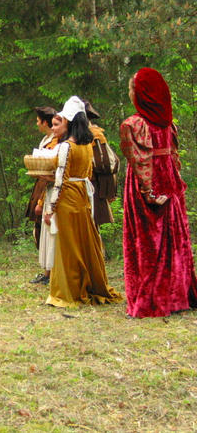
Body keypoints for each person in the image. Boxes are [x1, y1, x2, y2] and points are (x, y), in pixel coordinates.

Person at [120, 68, 197, 318]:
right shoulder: (168, 125)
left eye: (132, 89)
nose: (130, 94)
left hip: (150, 182)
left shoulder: (134, 124)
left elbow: (141, 162)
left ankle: (152, 297)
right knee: (173, 239)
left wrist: (148, 192)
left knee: (146, 241)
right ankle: (176, 295)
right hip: (170, 182)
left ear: (142, 94)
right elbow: (173, 158)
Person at [43, 96, 122, 308]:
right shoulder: (87, 146)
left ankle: (68, 291)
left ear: (69, 121)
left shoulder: (67, 146)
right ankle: (90, 284)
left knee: (68, 246)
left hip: (68, 195)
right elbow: (87, 174)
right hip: (83, 196)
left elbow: (60, 180)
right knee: (84, 242)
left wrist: (50, 208)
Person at [25, 106, 57, 285]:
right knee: (40, 231)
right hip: (43, 186)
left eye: (38, 120)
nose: (37, 123)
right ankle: (47, 271)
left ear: (46, 122)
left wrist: (41, 200)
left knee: (47, 230)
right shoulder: (47, 139)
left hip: (49, 188)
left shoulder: (56, 141)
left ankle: (51, 272)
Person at [85, 100, 119, 228]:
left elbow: (106, 163)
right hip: (85, 187)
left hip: (93, 187)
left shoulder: (95, 135)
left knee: (93, 232)